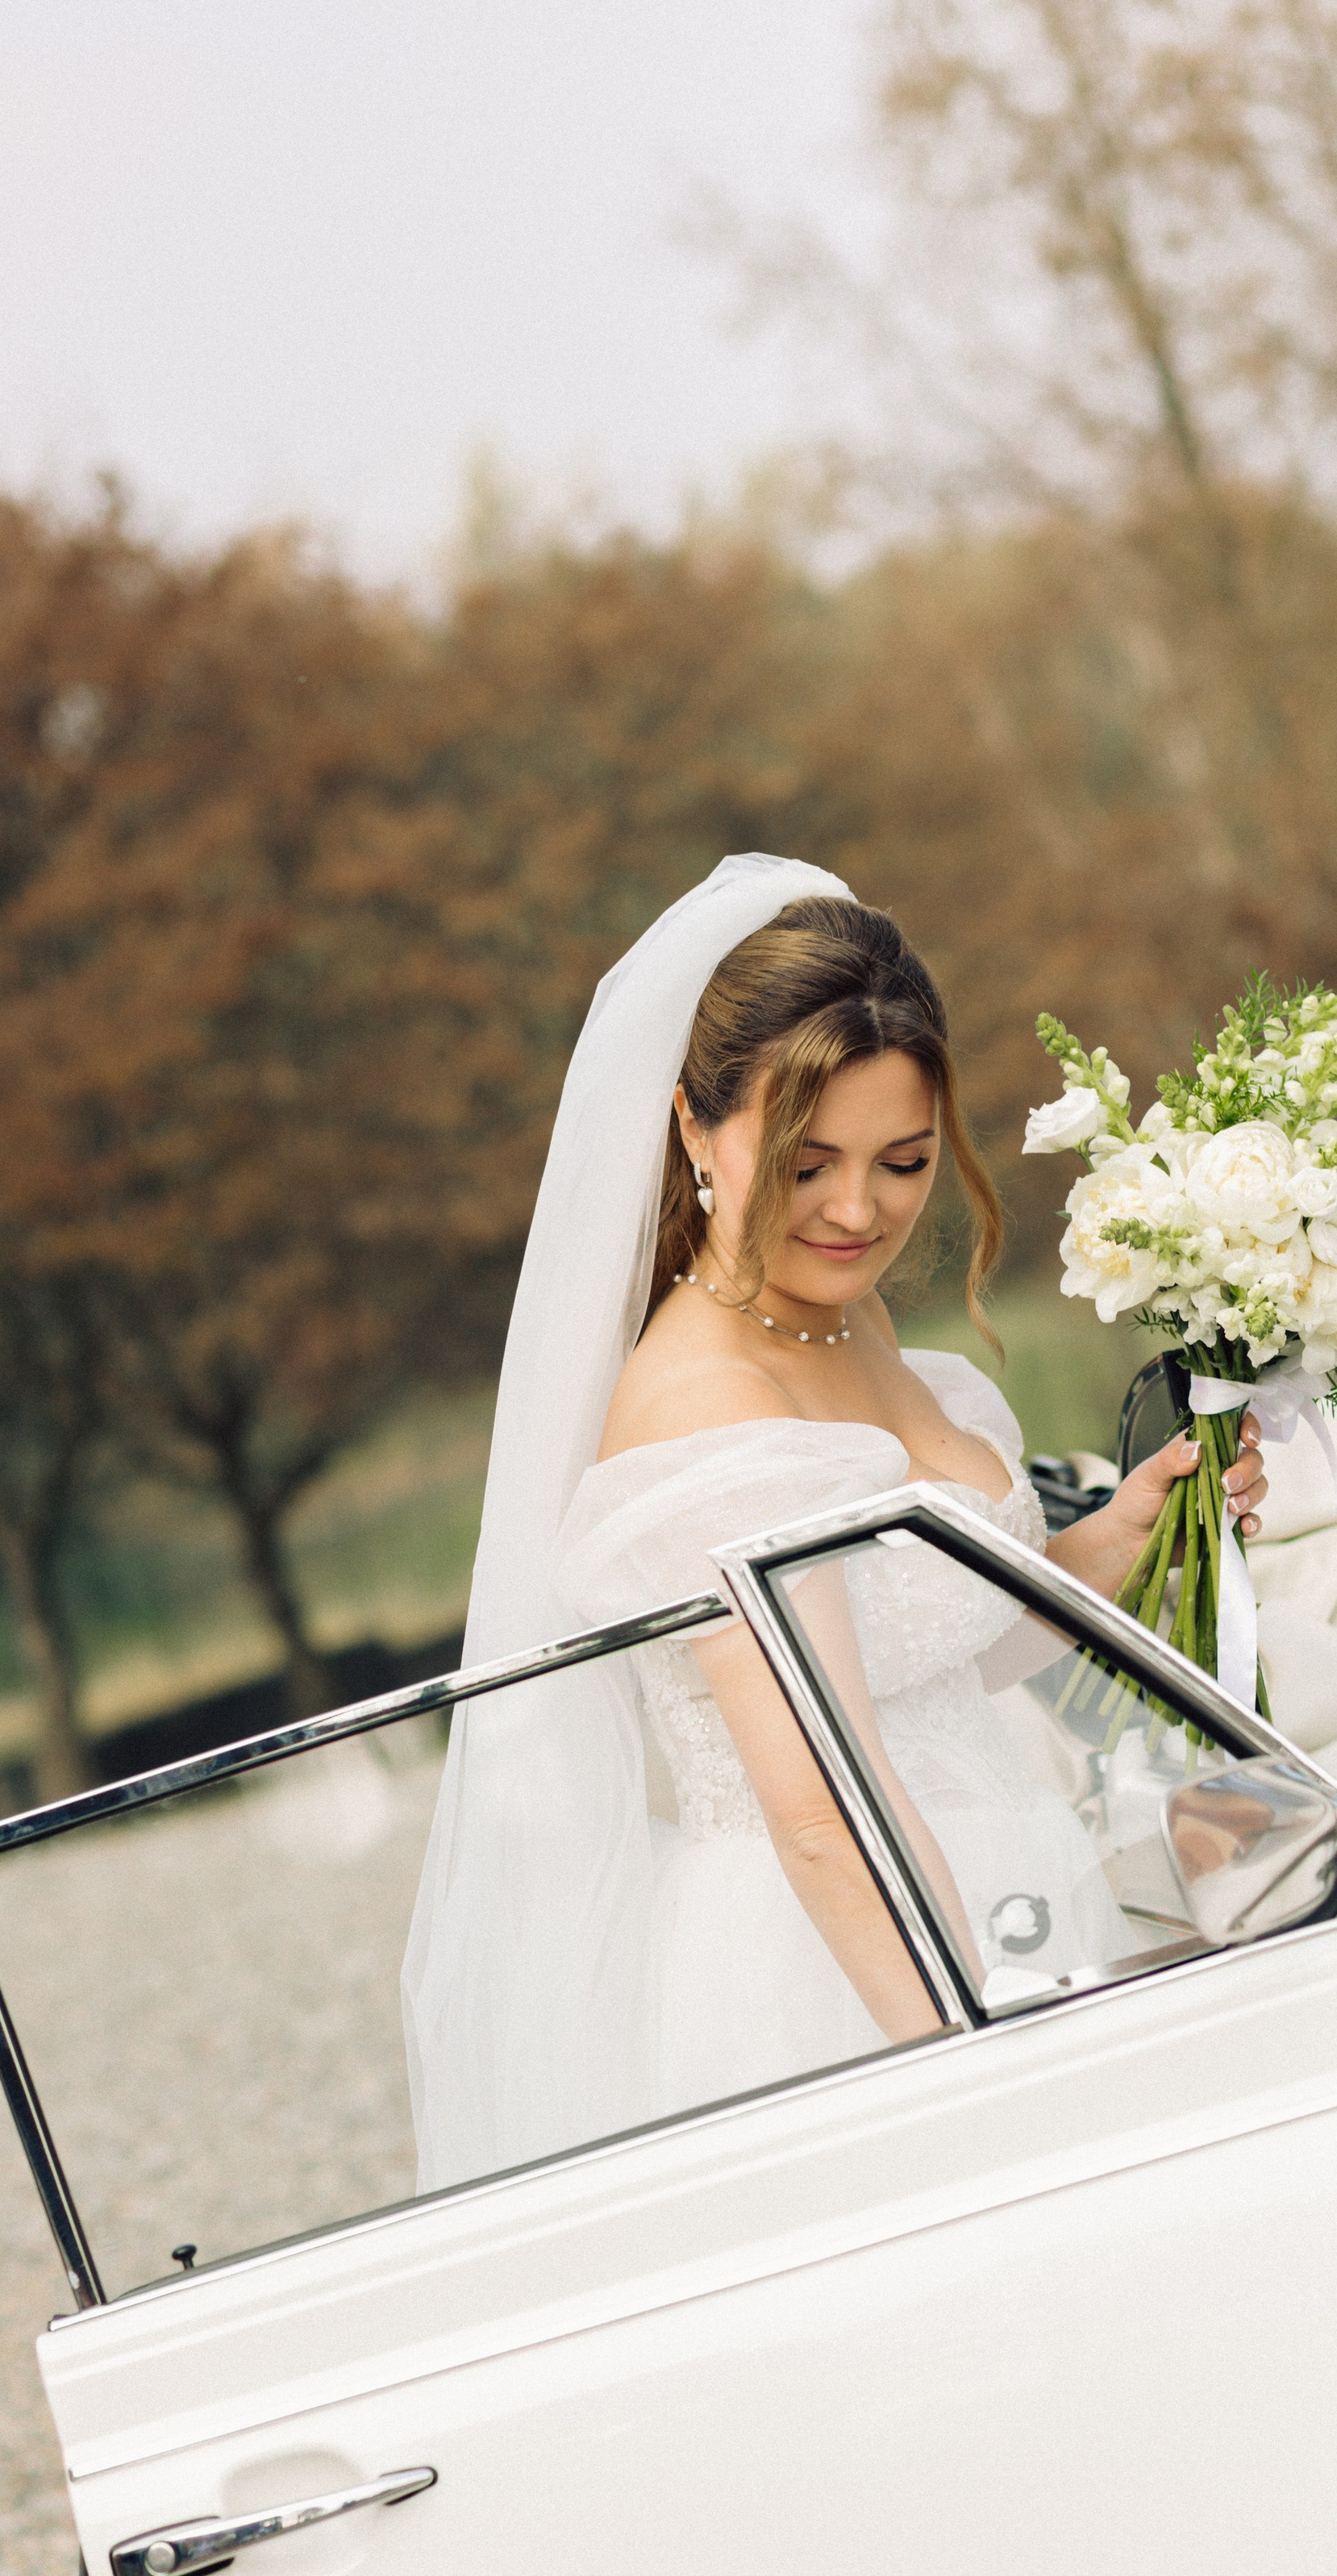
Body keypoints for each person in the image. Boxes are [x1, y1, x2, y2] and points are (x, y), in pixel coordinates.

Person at [403, 857, 1264, 2190]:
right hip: (846, 1966)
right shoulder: (709, 1408)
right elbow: (821, 1810)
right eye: (809, 1164)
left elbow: (937, 1658)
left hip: (1004, 1886)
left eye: (903, 1160)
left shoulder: (837, 1313)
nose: (859, 1211)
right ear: (693, 1129)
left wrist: (1131, 1534)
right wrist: (986, 2053)